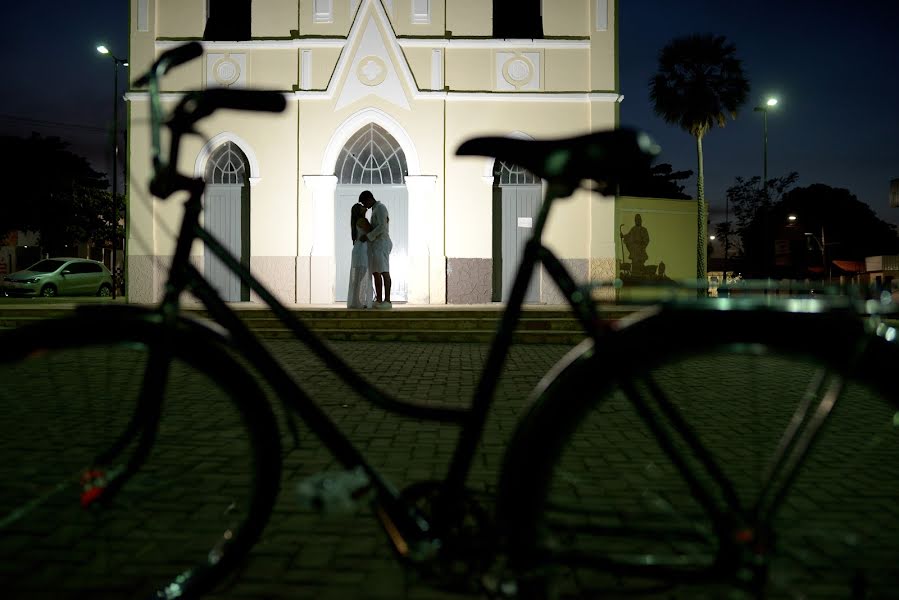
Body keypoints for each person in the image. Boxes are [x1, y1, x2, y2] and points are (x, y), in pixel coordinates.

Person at [358, 190, 393, 309]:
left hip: (382, 243)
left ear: (369, 199)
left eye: (364, 202)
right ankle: (378, 300)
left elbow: (382, 226)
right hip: (376, 244)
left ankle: (387, 301)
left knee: (384, 271)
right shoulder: (375, 209)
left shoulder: (381, 208)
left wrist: (368, 236)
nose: (364, 206)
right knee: (376, 272)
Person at [347, 202, 373, 309]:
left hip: (359, 249)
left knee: (358, 277)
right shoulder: (362, 220)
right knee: (360, 276)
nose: (364, 207)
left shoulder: (357, 221)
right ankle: (357, 301)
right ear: (359, 211)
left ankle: (355, 301)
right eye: (361, 207)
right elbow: (372, 231)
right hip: (361, 250)